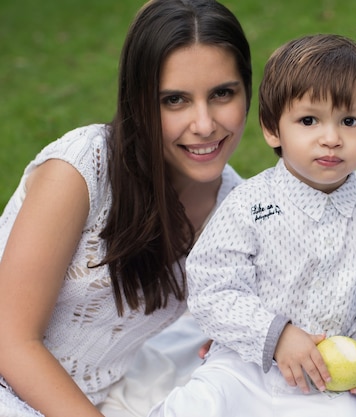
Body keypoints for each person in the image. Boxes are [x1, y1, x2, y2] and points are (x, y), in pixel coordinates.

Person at [0, 0, 252, 416]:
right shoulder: (82, 169)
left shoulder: (236, 210)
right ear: (138, 103)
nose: (205, 124)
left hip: (88, 400)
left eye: (222, 93)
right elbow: (10, 340)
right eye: (175, 100)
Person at [148, 33, 356, 417]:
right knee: (199, 405)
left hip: (324, 379)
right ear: (272, 129)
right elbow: (212, 285)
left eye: (349, 121)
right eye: (308, 120)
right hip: (245, 365)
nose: (331, 138)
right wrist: (277, 335)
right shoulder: (250, 205)